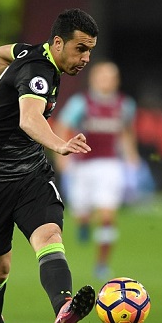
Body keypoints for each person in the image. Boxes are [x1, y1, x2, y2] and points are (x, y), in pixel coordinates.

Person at [0, 8, 99, 323]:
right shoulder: (38, 71)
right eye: (80, 49)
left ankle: (64, 307)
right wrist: (59, 144)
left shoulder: (29, 53)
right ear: (57, 43)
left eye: (90, 51)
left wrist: (5, 85)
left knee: (50, 237)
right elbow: (29, 119)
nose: (85, 58)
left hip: (30, 177)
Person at [54, 61, 140, 279]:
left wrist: (132, 157)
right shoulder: (81, 103)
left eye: (111, 77)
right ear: (93, 79)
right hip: (82, 166)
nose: (106, 81)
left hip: (110, 166)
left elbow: (126, 132)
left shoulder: (125, 105)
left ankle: (102, 264)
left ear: (117, 81)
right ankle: (83, 223)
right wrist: (61, 156)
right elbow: (62, 126)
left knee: (107, 215)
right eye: (102, 76)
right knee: (82, 214)